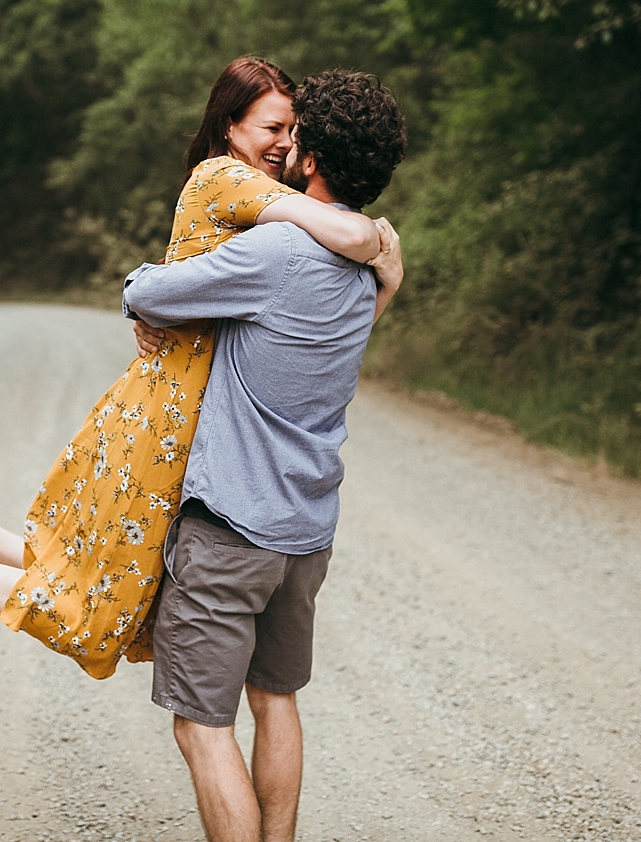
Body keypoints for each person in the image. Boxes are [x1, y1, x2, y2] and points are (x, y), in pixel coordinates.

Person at [0, 57, 403, 681]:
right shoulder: (229, 178)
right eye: (270, 128)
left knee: (132, 593)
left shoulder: (269, 212)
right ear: (229, 128)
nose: (284, 144)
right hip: (168, 424)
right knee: (96, 611)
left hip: (201, 430)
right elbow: (353, 237)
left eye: (291, 130)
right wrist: (379, 249)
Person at [121, 69, 405, 842]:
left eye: (294, 133)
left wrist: (136, 291)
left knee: (201, 727)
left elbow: (152, 290)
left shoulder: (275, 252)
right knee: (274, 699)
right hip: (306, 530)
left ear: (310, 156)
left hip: (232, 529)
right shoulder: (373, 264)